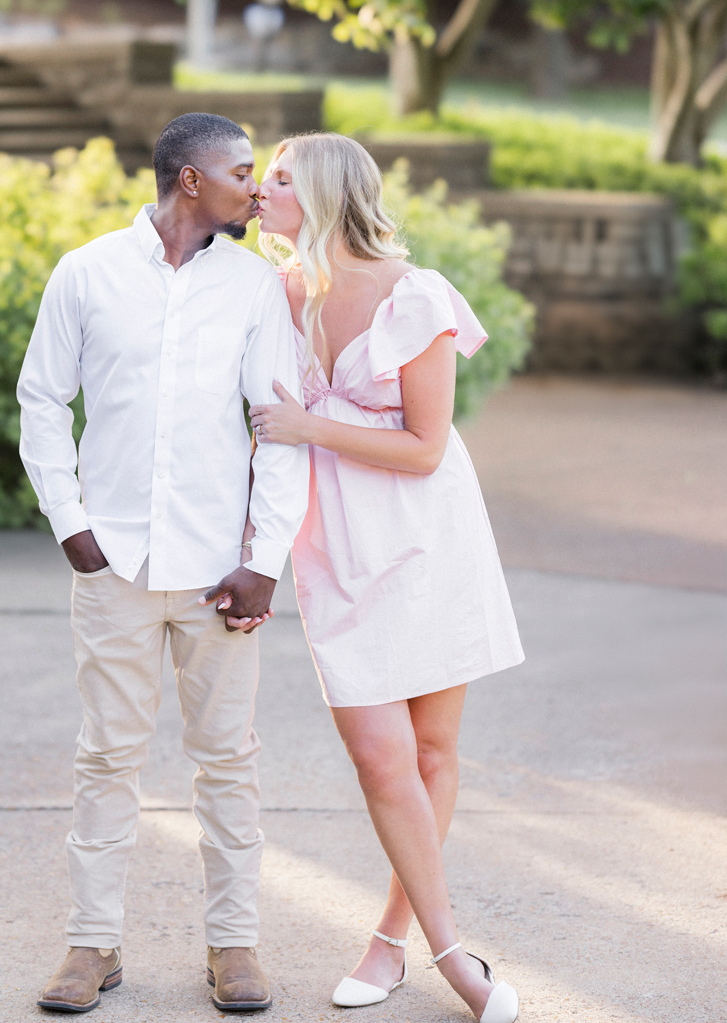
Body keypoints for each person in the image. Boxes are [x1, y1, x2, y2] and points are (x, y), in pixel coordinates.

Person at [17, 113, 309, 1014]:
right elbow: (41, 396)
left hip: (221, 571)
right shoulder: (88, 271)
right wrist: (72, 524)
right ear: (191, 180)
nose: (255, 191)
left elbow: (281, 427)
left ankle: (234, 945)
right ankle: (91, 942)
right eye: (240, 173)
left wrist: (264, 559)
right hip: (115, 569)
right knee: (106, 757)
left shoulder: (255, 287)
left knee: (228, 760)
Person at [249, 133, 524, 1023]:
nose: (263, 186)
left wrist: (308, 426)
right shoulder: (272, 295)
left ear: (326, 190)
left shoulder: (417, 295)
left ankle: (399, 939)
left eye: (283, 175)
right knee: (380, 757)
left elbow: (424, 446)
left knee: (433, 751)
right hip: (336, 549)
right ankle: (457, 956)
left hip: (428, 538)